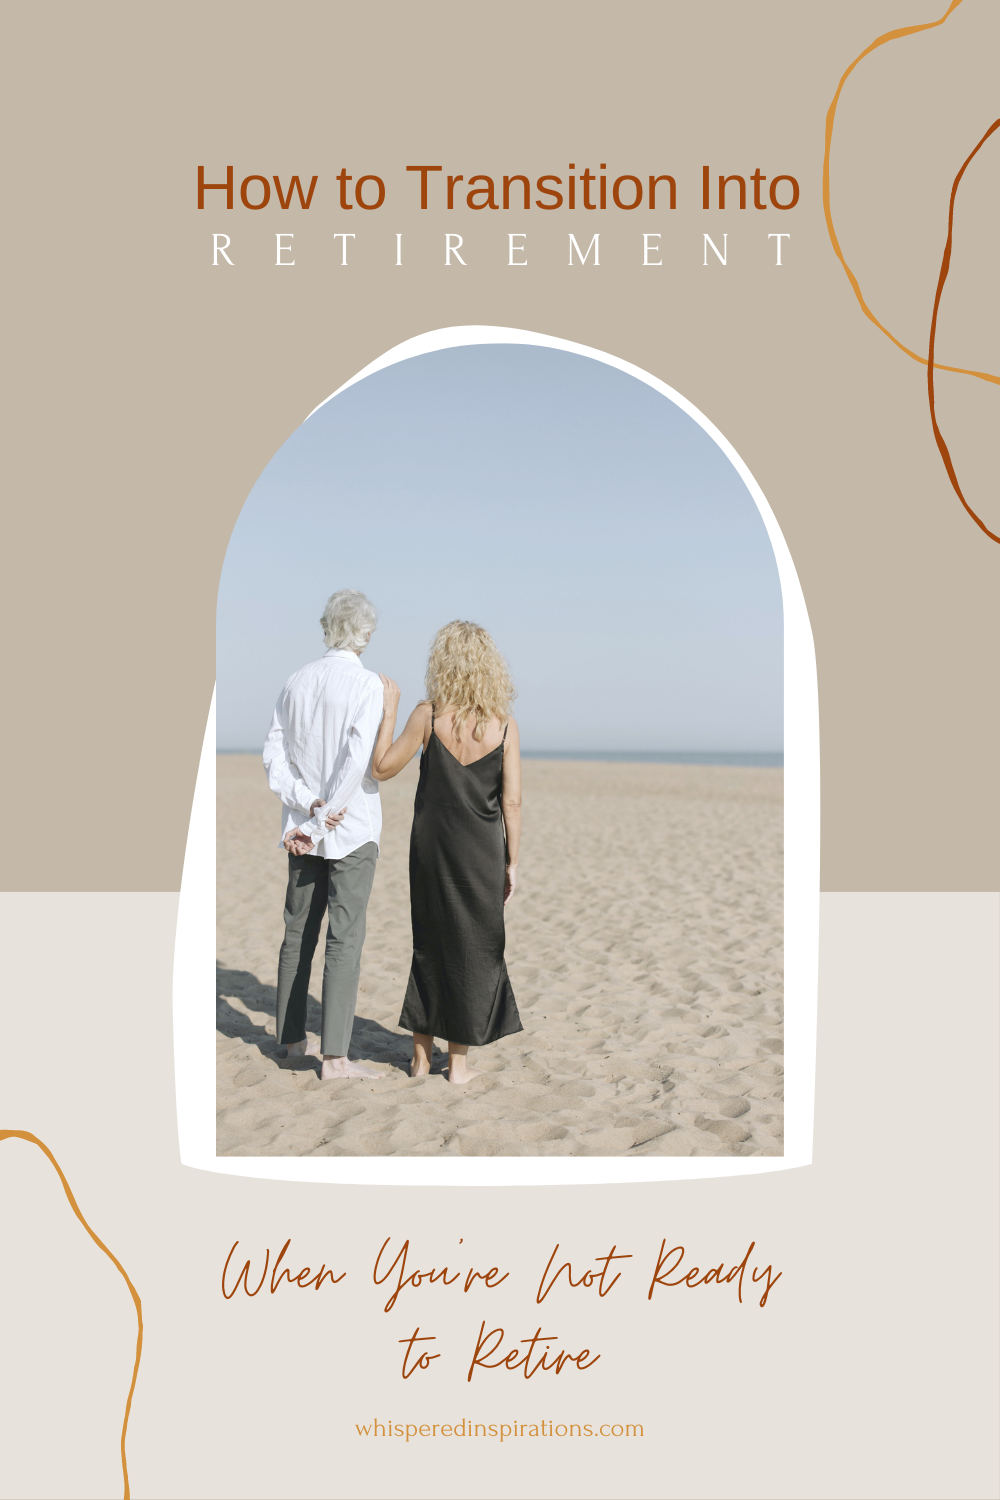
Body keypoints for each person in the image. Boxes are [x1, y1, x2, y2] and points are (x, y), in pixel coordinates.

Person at [342, 619, 522, 1085]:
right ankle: (457, 1065)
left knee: (430, 945)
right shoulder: (504, 726)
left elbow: (382, 768)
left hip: (431, 850)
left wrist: (389, 711)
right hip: (481, 851)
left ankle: (421, 1057)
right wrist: (512, 862)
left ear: (443, 662)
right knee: (474, 950)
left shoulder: (428, 714)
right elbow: (513, 802)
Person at [262, 588, 390, 1081]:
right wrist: (321, 817)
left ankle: (292, 1041)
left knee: (297, 934)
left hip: (303, 827)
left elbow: (274, 756)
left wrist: (306, 806)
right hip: (347, 829)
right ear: (366, 633)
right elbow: (357, 762)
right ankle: (335, 1057)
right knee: (344, 938)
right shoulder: (367, 685)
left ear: (326, 627)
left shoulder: (296, 681)